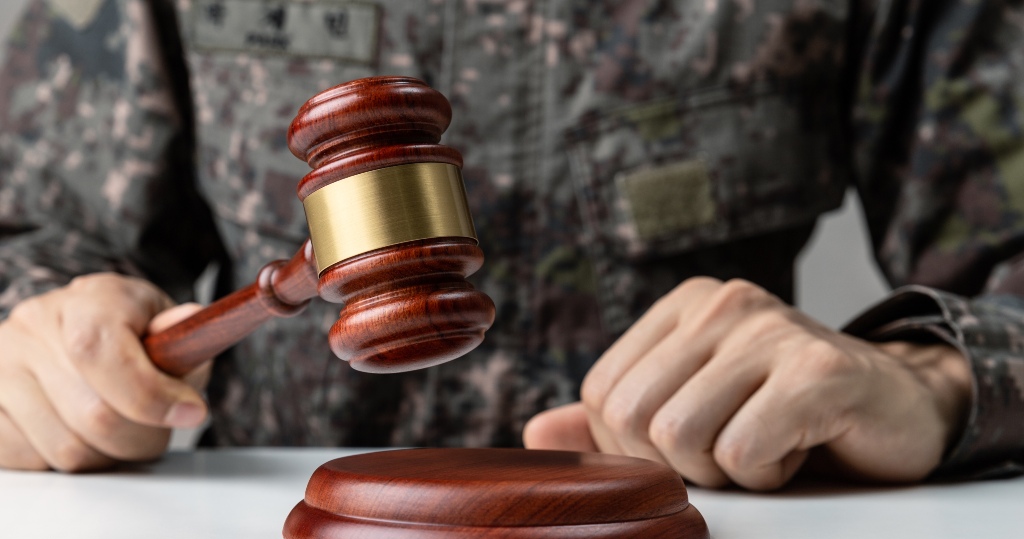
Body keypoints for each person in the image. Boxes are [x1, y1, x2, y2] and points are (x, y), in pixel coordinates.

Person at [0, 0, 1021, 490]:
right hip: (255, 537)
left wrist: (930, 382)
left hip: (725, 532)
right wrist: (38, 339)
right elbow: (38, 236)